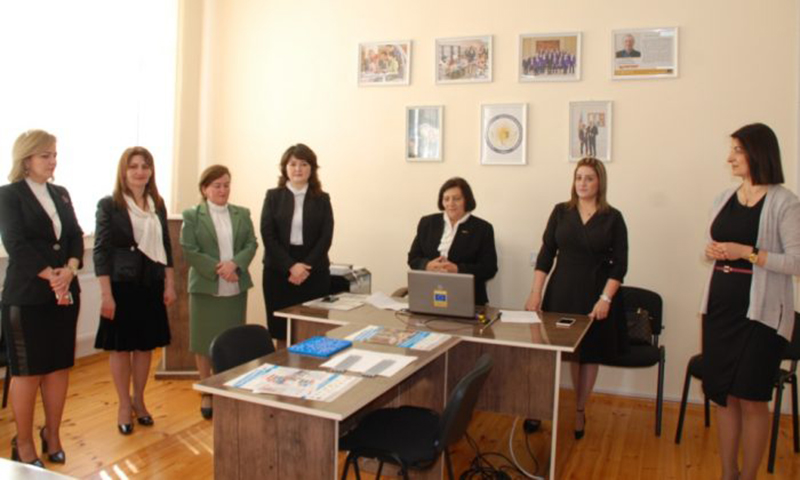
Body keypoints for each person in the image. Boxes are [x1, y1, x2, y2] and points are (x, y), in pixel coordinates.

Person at [701, 123, 800, 480]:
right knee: (724, 397)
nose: (730, 158)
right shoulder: (724, 198)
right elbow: (714, 246)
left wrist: (748, 253)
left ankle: (749, 476)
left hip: (762, 316)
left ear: (758, 153)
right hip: (720, 311)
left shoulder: (785, 202)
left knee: (752, 398)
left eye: (737, 150)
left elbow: (797, 262)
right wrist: (713, 252)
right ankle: (728, 473)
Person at [525, 157, 628, 440]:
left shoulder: (613, 217)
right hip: (561, 292)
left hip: (595, 296)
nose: (582, 183)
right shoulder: (561, 212)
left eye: (589, 178)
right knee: (549, 353)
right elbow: (546, 254)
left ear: (600, 182)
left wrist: (605, 299)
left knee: (588, 355)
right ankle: (537, 408)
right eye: (579, 177)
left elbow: (620, 265)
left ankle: (580, 410)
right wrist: (535, 292)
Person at [0, 130, 83, 467]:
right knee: (28, 372)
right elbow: (15, 243)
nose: (53, 161)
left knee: (58, 367)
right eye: (45, 155)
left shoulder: (60, 193)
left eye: (54, 154)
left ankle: (52, 434)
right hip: (27, 296)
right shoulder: (9, 195)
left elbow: (75, 236)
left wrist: (71, 270)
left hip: (64, 294)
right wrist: (52, 275)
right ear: (26, 159)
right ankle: (22, 442)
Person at [93, 146, 176, 435]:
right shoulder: (109, 205)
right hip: (121, 285)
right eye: (134, 166)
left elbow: (166, 246)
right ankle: (123, 405)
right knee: (121, 348)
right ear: (123, 171)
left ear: (151, 171)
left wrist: (169, 283)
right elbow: (101, 252)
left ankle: (139, 400)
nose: (140, 171)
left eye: (145, 166)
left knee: (144, 347)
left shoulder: (157, 204)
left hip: (151, 284)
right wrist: (106, 295)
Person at [180, 165, 257, 419]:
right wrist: (220, 269)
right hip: (205, 287)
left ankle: (229, 389)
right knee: (203, 342)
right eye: (217, 186)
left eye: (226, 185)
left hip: (235, 285)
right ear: (205, 189)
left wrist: (235, 265)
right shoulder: (192, 215)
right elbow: (189, 249)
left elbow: (251, 243)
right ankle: (207, 391)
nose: (223, 190)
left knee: (232, 341)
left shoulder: (242, 213)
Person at [261, 144, 333, 347]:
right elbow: (268, 234)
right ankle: (281, 365)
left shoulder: (322, 199)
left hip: (313, 271)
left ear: (312, 168)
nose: (298, 169)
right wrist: (291, 266)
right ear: (285, 168)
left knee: (313, 330)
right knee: (281, 331)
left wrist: (304, 266)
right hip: (279, 271)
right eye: (292, 164)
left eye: (303, 164)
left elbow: (326, 237)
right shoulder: (273, 196)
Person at [408, 177, 498, 305]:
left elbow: (489, 268)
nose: (451, 203)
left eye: (456, 199)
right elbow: (413, 258)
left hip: (467, 299)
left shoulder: (482, 228)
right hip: (428, 294)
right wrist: (427, 266)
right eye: (446, 199)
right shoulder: (427, 223)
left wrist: (457, 269)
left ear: (467, 200)